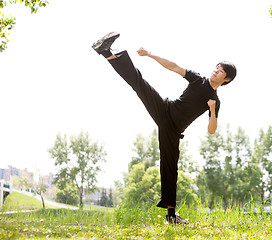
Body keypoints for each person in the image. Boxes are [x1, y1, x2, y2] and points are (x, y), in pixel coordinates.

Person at [92, 32, 237, 224]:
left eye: (221, 71)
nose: (215, 71)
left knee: (170, 169)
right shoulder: (198, 79)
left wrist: (211, 108)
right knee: (140, 83)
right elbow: (173, 66)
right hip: (165, 109)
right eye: (216, 68)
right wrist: (150, 54)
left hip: (173, 130)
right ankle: (107, 52)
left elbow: (211, 130)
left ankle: (171, 215)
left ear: (226, 80)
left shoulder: (215, 102)